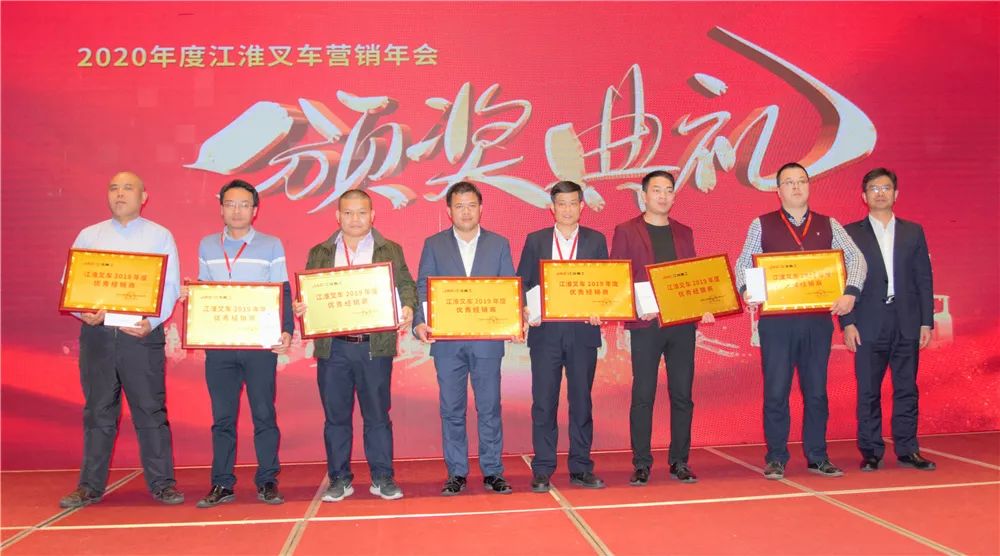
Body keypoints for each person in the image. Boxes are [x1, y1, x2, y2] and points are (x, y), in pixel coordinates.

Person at [734, 162, 866, 480]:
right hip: (776, 323)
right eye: (789, 182)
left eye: (802, 181)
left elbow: (857, 258)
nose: (796, 187)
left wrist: (850, 292)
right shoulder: (761, 224)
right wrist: (747, 289)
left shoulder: (829, 224)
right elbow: (743, 263)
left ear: (809, 186)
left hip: (816, 322)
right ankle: (776, 457)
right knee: (776, 391)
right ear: (778, 190)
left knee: (816, 391)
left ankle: (817, 456)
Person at [59, 171, 184, 507]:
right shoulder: (89, 235)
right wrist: (82, 312)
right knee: (98, 411)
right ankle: (89, 486)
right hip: (98, 336)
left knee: (150, 411)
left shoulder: (159, 236)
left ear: (143, 197)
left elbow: (171, 286)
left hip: (140, 337)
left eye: (128, 188)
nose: (120, 194)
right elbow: (71, 283)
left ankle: (163, 484)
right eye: (114, 188)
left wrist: (151, 322)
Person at [293, 189, 419, 501]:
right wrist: (302, 305)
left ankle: (382, 477)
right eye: (348, 213)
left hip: (374, 346)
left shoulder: (390, 249)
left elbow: (406, 284)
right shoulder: (320, 252)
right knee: (336, 417)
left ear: (372, 215)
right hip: (333, 347)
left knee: (377, 415)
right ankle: (339, 479)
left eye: (362, 212)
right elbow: (309, 292)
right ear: (337, 216)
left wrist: (407, 306)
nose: (355, 219)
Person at [189, 179, 294, 507]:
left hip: (260, 345)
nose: (237, 211)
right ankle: (222, 483)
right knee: (222, 418)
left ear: (255, 210)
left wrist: (286, 330)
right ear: (221, 208)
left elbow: (282, 290)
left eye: (244, 205)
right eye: (230, 204)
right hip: (220, 346)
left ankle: (268, 480)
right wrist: (192, 297)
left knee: (264, 413)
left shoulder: (271, 245)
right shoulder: (207, 245)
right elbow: (205, 290)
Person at [413, 181, 517, 495]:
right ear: (449, 211)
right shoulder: (434, 244)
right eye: (459, 206)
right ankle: (456, 472)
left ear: (481, 208)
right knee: (451, 410)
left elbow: (508, 287)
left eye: (471, 205)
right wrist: (420, 323)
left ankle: (493, 471)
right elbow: (423, 287)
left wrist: (514, 320)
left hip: (487, 343)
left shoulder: (498, 244)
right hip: (447, 343)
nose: (466, 212)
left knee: (489, 408)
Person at [610, 170, 714, 486]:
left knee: (682, 394)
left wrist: (704, 304)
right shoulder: (626, 230)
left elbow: (692, 276)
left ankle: (679, 461)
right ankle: (642, 462)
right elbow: (618, 277)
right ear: (644, 195)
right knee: (643, 394)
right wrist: (634, 306)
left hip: (681, 325)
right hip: (646, 325)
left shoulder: (684, 231)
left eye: (669, 190)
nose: (663, 196)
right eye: (657, 190)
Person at [839, 168, 936, 472]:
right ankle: (871, 451)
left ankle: (908, 449)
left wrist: (926, 321)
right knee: (868, 390)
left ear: (896, 194)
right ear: (863, 196)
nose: (880, 193)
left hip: (906, 320)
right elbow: (842, 280)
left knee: (907, 388)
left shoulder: (913, 231)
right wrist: (848, 322)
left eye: (885, 188)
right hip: (867, 322)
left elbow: (923, 278)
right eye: (873, 188)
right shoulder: (849, 233)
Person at [517, 181, 608, 492]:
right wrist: (526, 308)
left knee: (581, 402)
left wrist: (601, 309)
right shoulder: (536, 240)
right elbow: (523, 282)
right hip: (546, 334)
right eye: (561, 204)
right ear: (551, 208)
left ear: (582, 206)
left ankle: (581, 467)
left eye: (572, 203)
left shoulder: (596, 240)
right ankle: (543, 467)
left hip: (583, 332)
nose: (567, 209)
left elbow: (605, 284)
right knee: (544, 402)